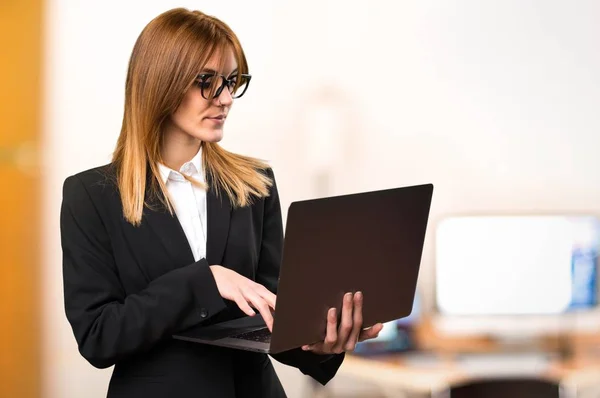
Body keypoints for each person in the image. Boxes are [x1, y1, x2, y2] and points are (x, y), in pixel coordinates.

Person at [60, 8, 383, 398]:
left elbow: (273, 315)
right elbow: (98, 337)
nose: (226, 98)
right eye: (207, 82)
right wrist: (205, 280)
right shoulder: (91, 196)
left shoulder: (254, 184)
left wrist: (320, 344)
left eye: (232, 81)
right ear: (161, 82)